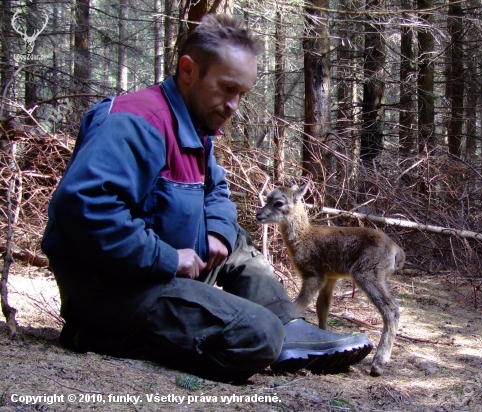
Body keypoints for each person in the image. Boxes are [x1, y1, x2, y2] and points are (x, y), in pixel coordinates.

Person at [41, 14, 372, 383]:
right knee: (257, 335)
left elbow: (217, 192)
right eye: (227, 89)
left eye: (241, 95)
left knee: (236, 242)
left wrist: (215, 230)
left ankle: (289, 326)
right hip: (113, 291)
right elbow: (85, 209)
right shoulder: (135, 122)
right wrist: (166, 257)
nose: (233, 105)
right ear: (188, 70)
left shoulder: (195, 127)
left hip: (160, 272)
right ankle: (99, 336)